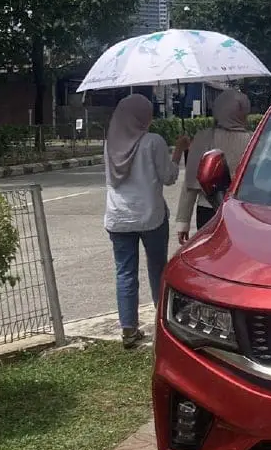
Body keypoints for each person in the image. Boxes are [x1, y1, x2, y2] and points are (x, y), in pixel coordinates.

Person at [104, 93, 190, 349]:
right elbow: (169, 177)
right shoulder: (153, 141)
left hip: (118, 216)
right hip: (151, 216)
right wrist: (178, 150)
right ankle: (161, 320)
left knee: (125, 272)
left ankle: (128, 329)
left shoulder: (110, 142)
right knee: (157, 268)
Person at [177, 88, 253, 244]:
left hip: (207, 210)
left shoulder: (203, 137)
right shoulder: (253, 140)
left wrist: (183, 222)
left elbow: (190, 184)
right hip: (243, 211)